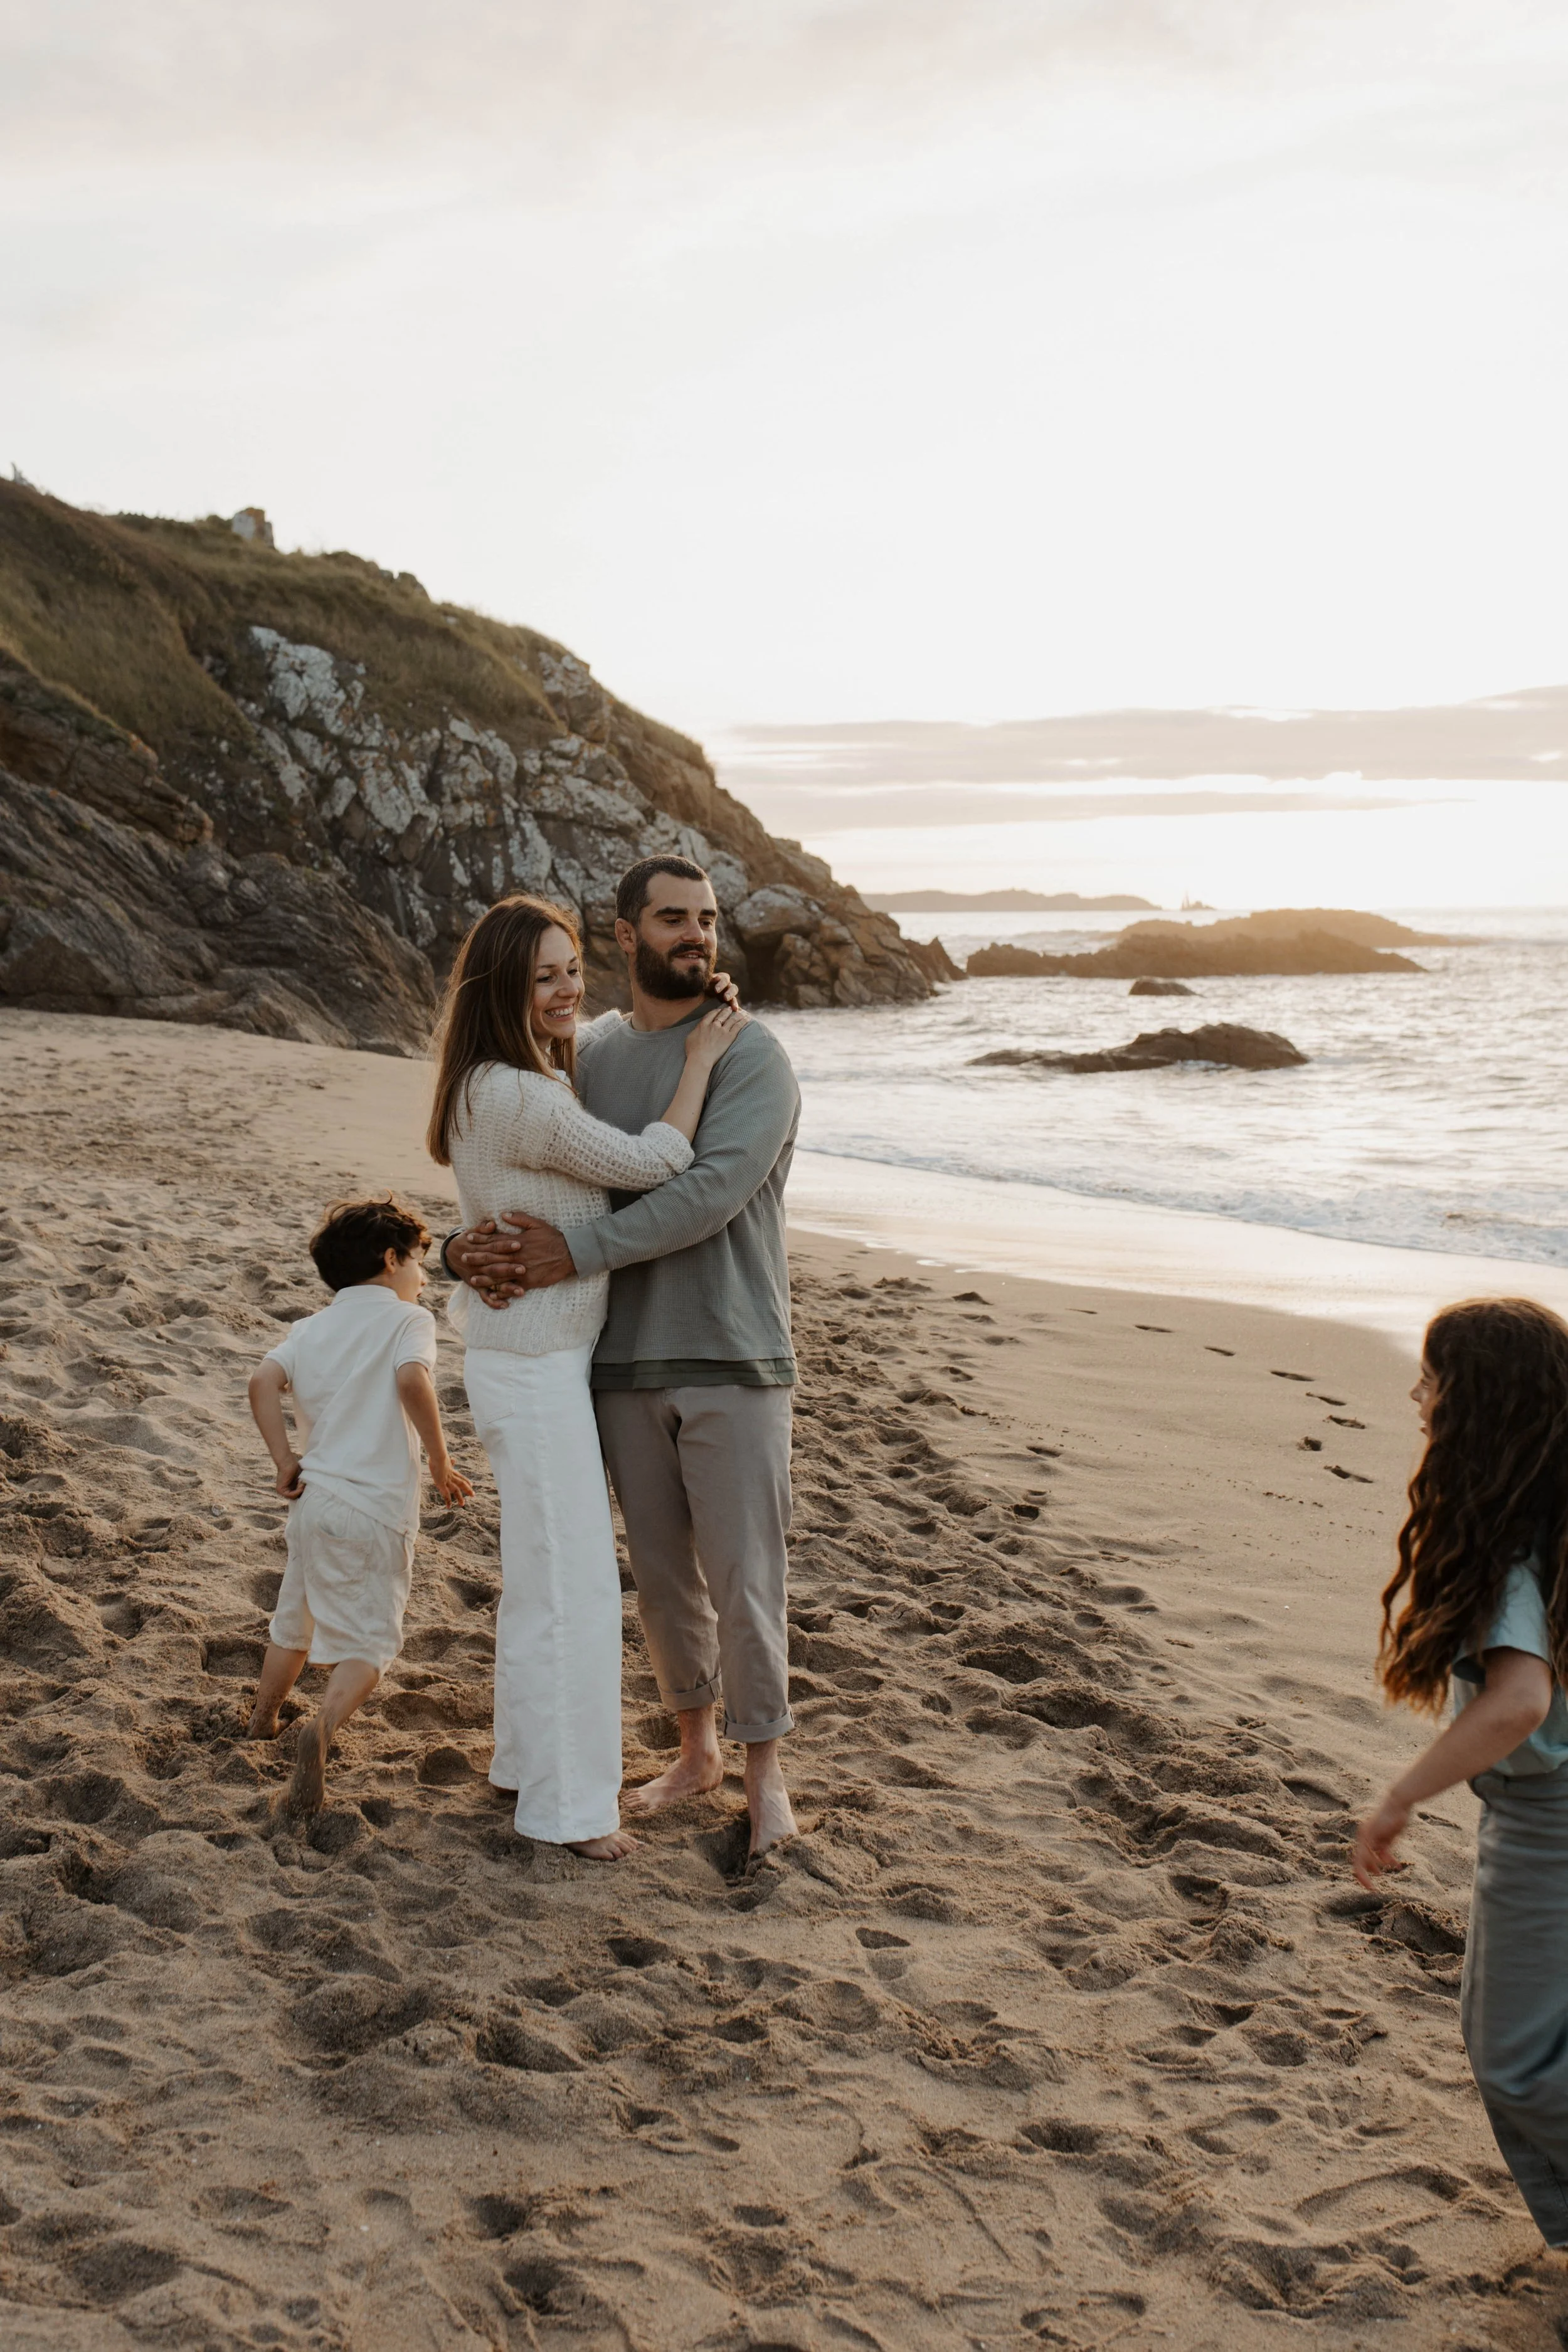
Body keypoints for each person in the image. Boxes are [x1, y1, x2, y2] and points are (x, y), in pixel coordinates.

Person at [447, 855, 802, 1858]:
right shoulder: (587, 1053)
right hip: (614, 1359)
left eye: (708, 919)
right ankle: (697, 1752)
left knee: (745, 1578)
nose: (696, 935)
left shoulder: (751, 1054)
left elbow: (704, 1193)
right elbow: (527, 1168)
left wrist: (572, 1251)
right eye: (673, 919)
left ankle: (766, 1775)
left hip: (731, 1350)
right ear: (624, 934)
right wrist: (455, 1245)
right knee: (658, 1579)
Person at [1353, 1296, 1568, 2249]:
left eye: (1433, 1381)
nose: (1418, 1394)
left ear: (1475, 1406)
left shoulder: (1518, 1551)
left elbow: (1521, 1702)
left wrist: (1401, 1796)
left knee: (1514, 2055)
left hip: (1546, 1821)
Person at [246, 1195, 474, 1816]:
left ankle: (263, 1718)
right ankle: (319, 1730)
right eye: (419, 1265)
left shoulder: (310, 1328)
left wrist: (283, 1461)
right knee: (371, 1640)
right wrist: (439, 1459)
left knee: (294, 1619)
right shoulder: (408, 1322)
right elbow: (411, 1381)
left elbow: (261, 1382)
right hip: (373, 1509)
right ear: (391, 1258)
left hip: (314, 1500)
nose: (423, 1279)